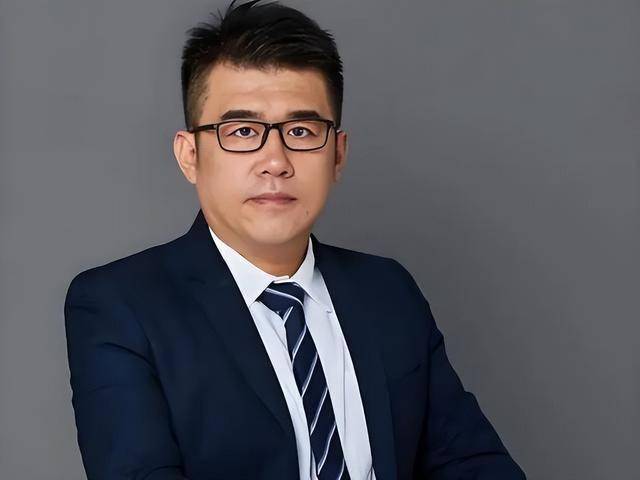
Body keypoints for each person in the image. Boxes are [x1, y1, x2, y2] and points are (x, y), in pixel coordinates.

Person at [63, 1, 527, 478]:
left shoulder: (388, 291)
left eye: (302, 131)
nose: (276, 161)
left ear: (338, 154)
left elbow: (474, 463)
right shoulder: (120, 305)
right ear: (190, 155)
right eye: (243, 131)